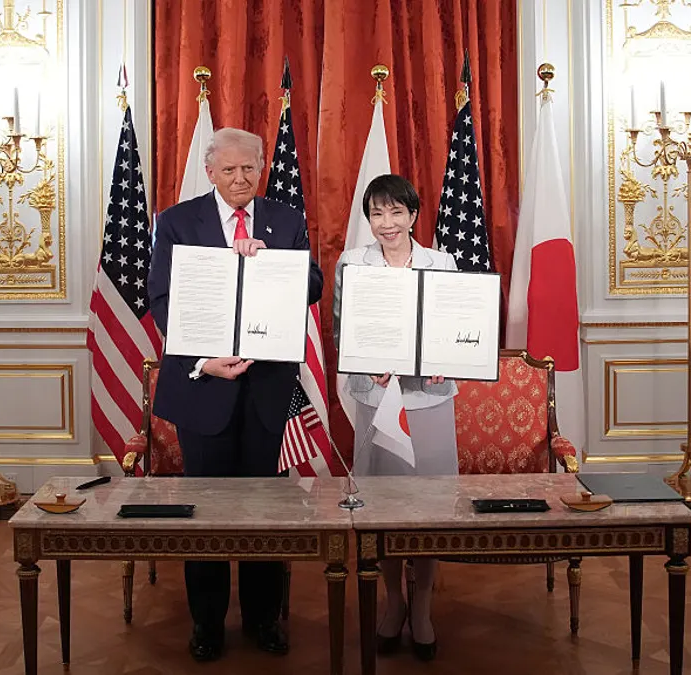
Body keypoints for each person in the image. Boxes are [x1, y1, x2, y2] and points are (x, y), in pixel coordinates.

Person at [147, 127, 323, 662]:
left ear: (262, 167)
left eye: (249, 168)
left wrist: (272, 262)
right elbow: (161, 299)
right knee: (206, 513)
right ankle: (206, 623)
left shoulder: (286, 220)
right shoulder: (177, 222)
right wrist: (203, 362)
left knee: (263, 514)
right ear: (210, 172)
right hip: (204, 390)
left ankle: (264, 618)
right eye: (229, 170)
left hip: (267, 391)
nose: (240, 178)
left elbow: (312, 285)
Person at [332, 173, 459, 662]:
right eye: (377, 213)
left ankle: (422, 606)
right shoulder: (351, 263)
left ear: (413, 215)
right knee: (381, 504)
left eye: (396, 213)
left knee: (427, 506)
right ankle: (392, 604)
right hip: (376, 398)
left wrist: (443, 359)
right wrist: (369, 361)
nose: (387, 224)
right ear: (369, 218)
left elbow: (450, 330)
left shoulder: (441, 264)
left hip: (428, 400)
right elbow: (345, 330)